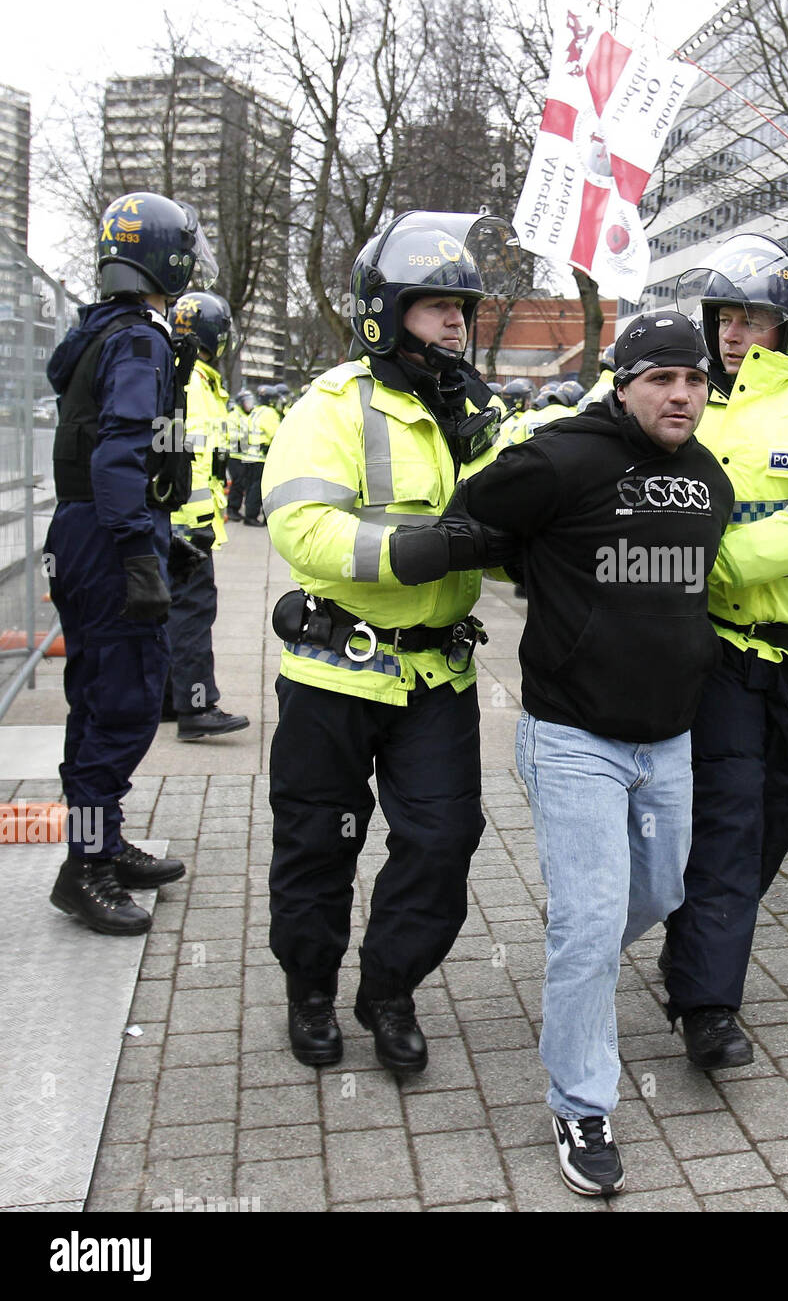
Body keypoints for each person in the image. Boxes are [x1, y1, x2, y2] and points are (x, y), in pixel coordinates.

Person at [456, 311, 732, 1197]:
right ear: (623, 383)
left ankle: (582, 960)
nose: (681, 394)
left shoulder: (708, 477)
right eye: (660, 379)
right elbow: (475, 519)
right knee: (587, 921)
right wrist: (539, 569)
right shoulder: (563, 456)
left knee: (659, 891)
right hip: (574, 736)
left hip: (671, 740)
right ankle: (582, 1099)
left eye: (692, 379)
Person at [261, 210, 517, 1073]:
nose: (455, 322)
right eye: (436, 305)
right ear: (385, 311)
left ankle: (388, 990)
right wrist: (413, 550)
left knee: (444, 841)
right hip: (338, 669)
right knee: (318, 841)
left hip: (437, 677)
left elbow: (519, 514)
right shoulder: (331, 404)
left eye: (462, 308)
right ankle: (309, 990)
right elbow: (299, 525)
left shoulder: (477, 413)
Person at [662, 234, 788, 1070]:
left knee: (769, 830)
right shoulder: (690, 399)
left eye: (753, 316)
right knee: (728, 820)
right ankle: (708, 1005)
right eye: (724, 315)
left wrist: (714, 563)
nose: (734, 332)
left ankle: (693, 948)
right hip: (721, 657)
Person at [45, 191, 217, 934]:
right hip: (109, 537)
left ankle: (102, 842)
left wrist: (152, 528)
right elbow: (121, 448)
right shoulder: (141, 338)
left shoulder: (99, 329)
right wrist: (135, 551)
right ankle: (85, 866)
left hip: (84, 530)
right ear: (166, 257)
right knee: (124, 700)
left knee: (95, 693)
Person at [162, 290, 250, 741]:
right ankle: (197, 707)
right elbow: (180, 456)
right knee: (192, 613)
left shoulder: (191, 378)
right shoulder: (194, 383)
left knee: (171, 612)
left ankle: (170, 701)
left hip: (183, 521)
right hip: (188, 524)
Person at [238, 385, 281, 525]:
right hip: (262, 458)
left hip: (249, 456)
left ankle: (249, 515)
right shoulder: (270, 413)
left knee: (251, 487)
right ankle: (251, 516)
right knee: (258, 489)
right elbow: (276, 434)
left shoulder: (255, 411)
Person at [225, 390, 254, 522]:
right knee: (237, 482)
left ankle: (235, 509)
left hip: (246, 454)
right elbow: (232, 435)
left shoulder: (249, 415)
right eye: (247, 402)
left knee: (243, 482)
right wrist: (249, 439)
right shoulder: (233, 415)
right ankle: (232, 509)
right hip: (235, 454)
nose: (250, 405)